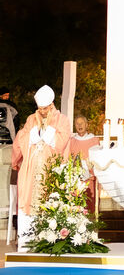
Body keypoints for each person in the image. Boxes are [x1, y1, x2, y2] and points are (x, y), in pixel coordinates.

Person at [13, 85, 71, 250]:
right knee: (28, 201)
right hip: (31, 169)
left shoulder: (62, 119)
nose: (43, 112)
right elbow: (21, 137)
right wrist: (33, 133)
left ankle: (49, 243)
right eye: (40, 108)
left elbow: (63, 140)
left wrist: (47, 132)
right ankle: (26, 245)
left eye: (45, 108)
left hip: (50, 169)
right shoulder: (32, 119)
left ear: (52, 105)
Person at [69, 115, 100, 212]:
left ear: (87, 125)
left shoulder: (94, 140)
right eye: (77, 124)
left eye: (82, 123)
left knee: (90, 205)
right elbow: (68, 160)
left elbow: (97, 161)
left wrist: (89, 169)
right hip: (76, 180)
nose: (79, 125)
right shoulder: (71, 141)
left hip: (90, 178)